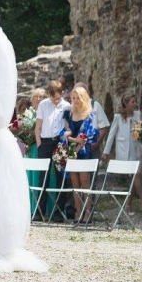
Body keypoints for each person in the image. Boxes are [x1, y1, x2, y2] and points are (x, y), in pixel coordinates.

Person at [60, 86, 100, 224]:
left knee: (85, 184)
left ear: (84, 98)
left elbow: (90, 135)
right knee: (75, 185)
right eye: (73, 98)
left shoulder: (90, 114)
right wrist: (74, 142)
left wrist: (78, 146)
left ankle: (88, 213)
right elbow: (64, 133)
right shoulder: (69, 114)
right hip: (72, 151)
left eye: (78, 98)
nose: (76, 100)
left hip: (84, 152)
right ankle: (79, 211)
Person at [101, 93, 142, 207]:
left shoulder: (137, 115)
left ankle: (128, 204)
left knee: (136, 176)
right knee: (135, 175)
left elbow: (139, 133)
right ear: (126, 104)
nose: (135, 104)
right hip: (125, 151)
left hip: (137, 149)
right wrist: (106, 152)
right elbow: (111, 135)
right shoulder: (118, 117)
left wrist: (138, 128)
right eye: (132, 102)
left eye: (135, 101)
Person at [34, 80, 69, 221]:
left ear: (62, 93)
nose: (54, 100)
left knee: (61, 177)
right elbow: (38, 127)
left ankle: (58, 213)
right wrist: (39, 145)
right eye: (52, 97)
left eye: (57, 98)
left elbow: (67, 127)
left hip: (60, 143)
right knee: (43, 177)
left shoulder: (66, 106)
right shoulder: (43, 104)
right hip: (45, 142)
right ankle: (40, 212)